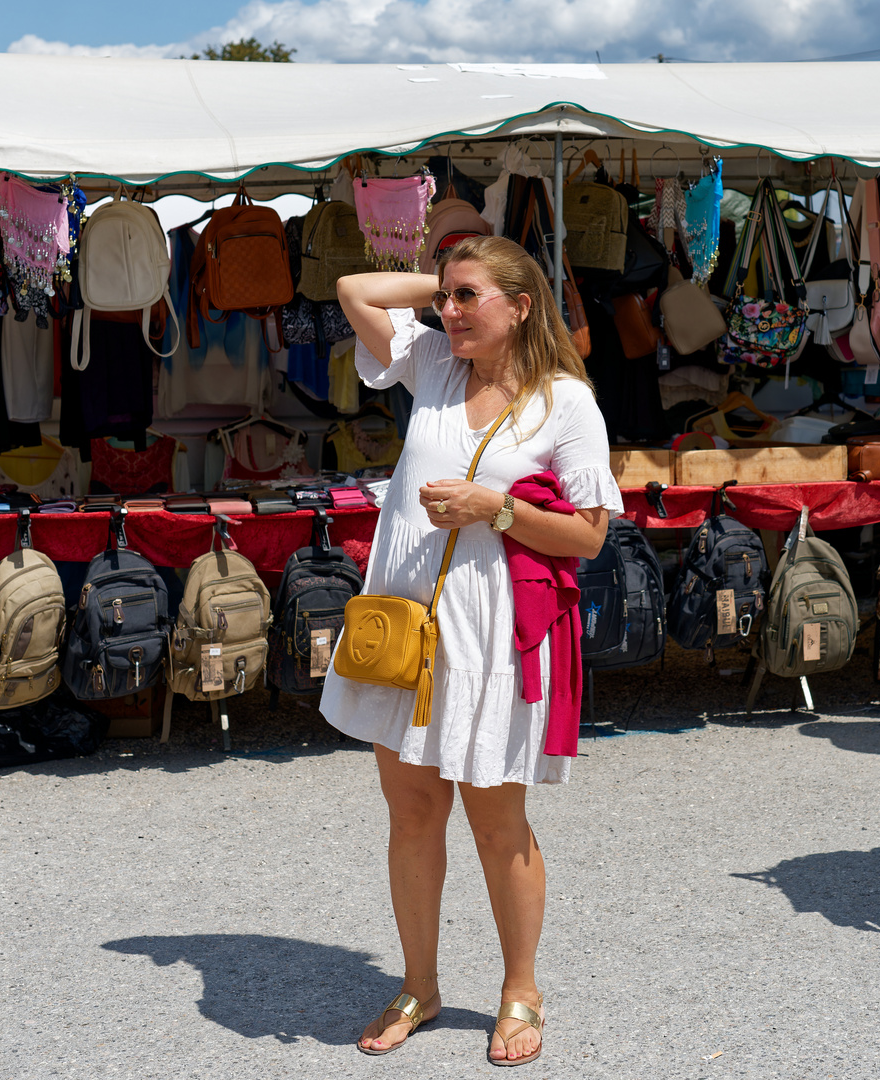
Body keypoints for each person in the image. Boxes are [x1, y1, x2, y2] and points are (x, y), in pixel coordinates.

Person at [321, 235, 620, 1065]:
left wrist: (497, 510)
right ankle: (420, 983)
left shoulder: (566, 403)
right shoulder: (435, 367)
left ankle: (520, 989)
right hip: (409, 631)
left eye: (467, 298)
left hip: (493, 640)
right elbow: (354, 286)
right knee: (412, 816)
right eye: (445, 297)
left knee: (499, 824)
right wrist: (450, 278)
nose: (446, 312)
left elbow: (589, 538)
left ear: (521, 306)